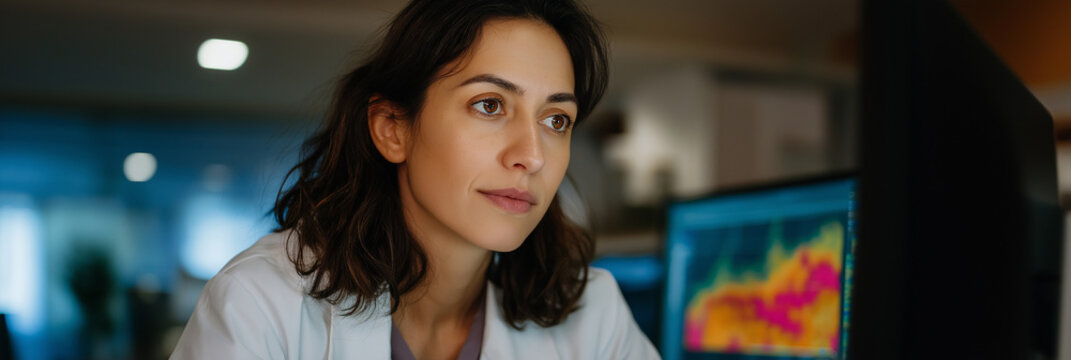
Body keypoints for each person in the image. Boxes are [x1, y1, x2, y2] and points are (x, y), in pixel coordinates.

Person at [171, 0, 660, 359]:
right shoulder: (260, 306)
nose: (531, 156)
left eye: (556, 120)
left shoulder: (593, 317)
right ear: (393, 130)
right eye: (489, 105)